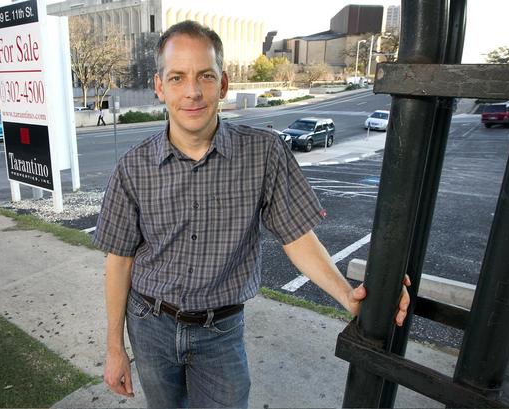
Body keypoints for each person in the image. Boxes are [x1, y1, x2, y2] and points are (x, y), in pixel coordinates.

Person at [93, 20, 410, 409]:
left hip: (221, 331)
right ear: (160, 87)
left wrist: (348, 295)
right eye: (177, 78)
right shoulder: (133, 166)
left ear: (223, 84)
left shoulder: (264, 153)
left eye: (205, 76)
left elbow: (297, 236)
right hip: (149, 324)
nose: (192, 91)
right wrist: (114, 348)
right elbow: (119, 260)